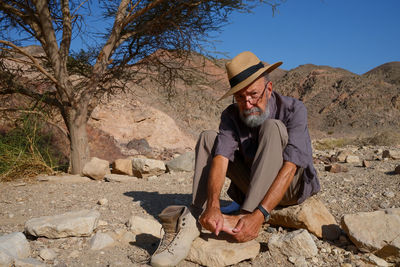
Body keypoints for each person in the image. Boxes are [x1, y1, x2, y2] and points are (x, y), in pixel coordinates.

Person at [150, 51, 320, 267]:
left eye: (254, 95)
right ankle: (196, 216)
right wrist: (213, 205)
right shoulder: (231, 115)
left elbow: (290, 167)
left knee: (272, 127)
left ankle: (246, 218)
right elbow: (221, 157)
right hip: (251, 186)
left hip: (289, 189)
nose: (247, 104)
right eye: (240, 97)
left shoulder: (294, 109)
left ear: (269, 89)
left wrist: (258, 215)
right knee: (208, 138)